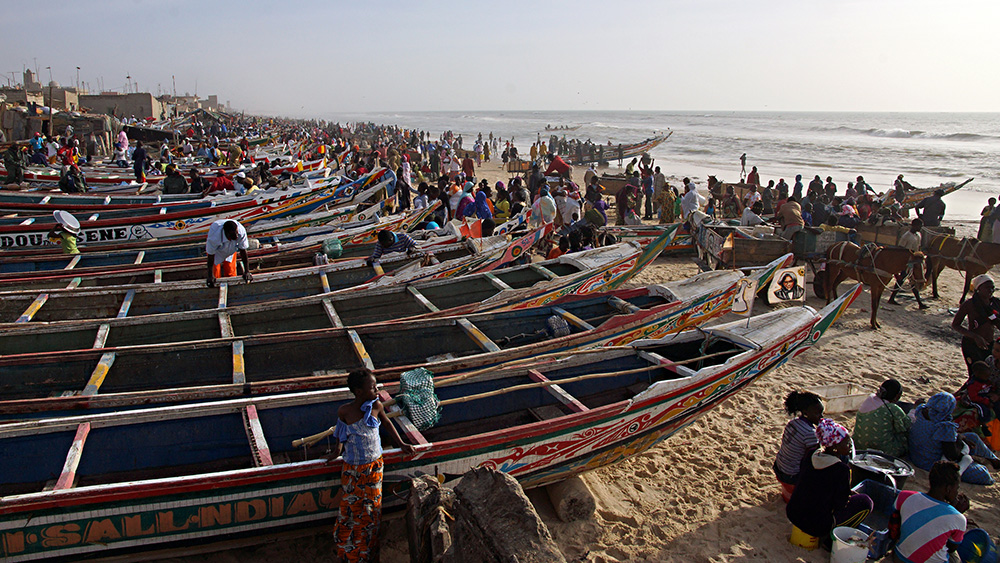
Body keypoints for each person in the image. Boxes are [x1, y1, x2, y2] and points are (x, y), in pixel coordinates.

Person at [330, 368, 414, 563]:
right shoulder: (345, 411)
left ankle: (368, 555)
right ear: (359, 391)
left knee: (370, 513)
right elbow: (340, 435)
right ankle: (348, 554)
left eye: (376, 386)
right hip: (352, 470)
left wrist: (401, 444)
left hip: (374, 468)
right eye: (372, 387)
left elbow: (387, 424)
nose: (377, 390)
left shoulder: (376, 406)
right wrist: (336, 453)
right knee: (350, 512)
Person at [786, 419, 873, 547]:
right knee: (866, 502)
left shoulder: (811, 455)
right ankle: (830, 540)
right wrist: (847, 494)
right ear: (835, 448)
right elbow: (840, 504)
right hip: (816, 525)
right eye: (847, 443)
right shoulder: (842, 470)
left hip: (794, 512)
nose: (850, 445)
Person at [893, 460, 997, 563]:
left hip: (899, 558)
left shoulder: (904, 496)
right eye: (957, 488)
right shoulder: (958, 518)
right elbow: (951, 548)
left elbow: (896, 524)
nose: (957, 492)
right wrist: (955, 512)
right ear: (948, 489)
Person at [908, 392, 1000, 485]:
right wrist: (962, 445)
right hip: (930, 463)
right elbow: (951, 455)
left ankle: (993, 459)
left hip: (916, 454)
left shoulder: (922, 412)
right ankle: (988, 460)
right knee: (983, 474)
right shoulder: (944, 426)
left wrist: (961, 438)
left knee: (972, 437)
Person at [774, 391, 824, 502]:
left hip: (779, 467)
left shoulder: (793, 423)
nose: (821, 417)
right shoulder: (810, 433)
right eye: (818, 413)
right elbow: (816, 458)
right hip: (790, 476)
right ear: (806, 412)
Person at [952, 274, 1000, 373]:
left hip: (989, 344)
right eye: (987, 288)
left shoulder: (995, 303)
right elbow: (955, 325)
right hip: (971, 344)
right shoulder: (970, 304)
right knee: (977, 372)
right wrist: (975, 336)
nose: (991, 291)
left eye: (993, 288)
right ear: (979, 288)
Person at [854, 379, 912, 457]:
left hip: (859, 446)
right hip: (882, 451)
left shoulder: (870, 398)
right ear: (897, 396)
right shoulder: (892, 408)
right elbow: (907, 425)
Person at [886, 218, 929, 309]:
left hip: (914, 261)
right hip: (907, 261)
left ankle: (918, 302)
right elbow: (901, 249)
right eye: (919, 226)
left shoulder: (918, 235)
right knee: (903, 279)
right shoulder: (906, 236)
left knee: (911, 280)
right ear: (914, 226)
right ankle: (918, 303)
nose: (920, 228)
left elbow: (918, 248)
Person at [205, 219, 252, 287]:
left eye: (236, 233)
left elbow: (243, 252)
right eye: (233, 235)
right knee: (214, 273)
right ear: (227, 234)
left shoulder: (241, 232)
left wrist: (247, 271)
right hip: (217, 251)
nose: (236, 236)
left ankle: (232, 287)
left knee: (230, 271)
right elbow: (210, 256)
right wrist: (210, 276)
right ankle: (215, 287)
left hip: (231, 249)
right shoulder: (214, 236)